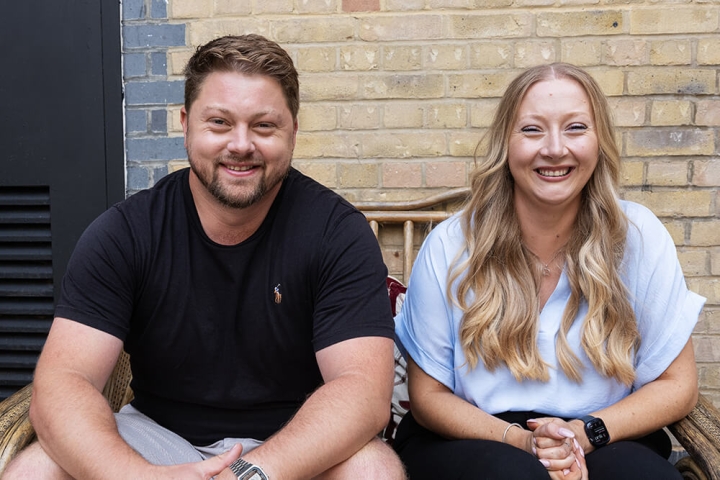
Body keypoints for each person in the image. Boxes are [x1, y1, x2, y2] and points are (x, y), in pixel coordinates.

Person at [4, 34, 405, 480]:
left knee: (373, 469)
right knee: (33, 470)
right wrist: (137, 477)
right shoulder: (126, 233)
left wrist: (249, 474)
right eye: (219, 122)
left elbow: (362, 391)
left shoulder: (337, 233)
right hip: (156, 438)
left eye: (264, 126)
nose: (240, 144)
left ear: (293, 130)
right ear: (185, 124)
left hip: (297, 441)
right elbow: (65, 383)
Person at [392, 63, 705, 480]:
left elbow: (678, 385)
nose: (555, 148)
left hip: (604, 431)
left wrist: (584, 434)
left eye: (575, 128)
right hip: (475, 435)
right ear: (506, 143)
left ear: (599, 142)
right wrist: (523, 441)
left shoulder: (638, 237)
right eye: (532, 129)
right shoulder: (451, 245)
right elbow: (428, 397)